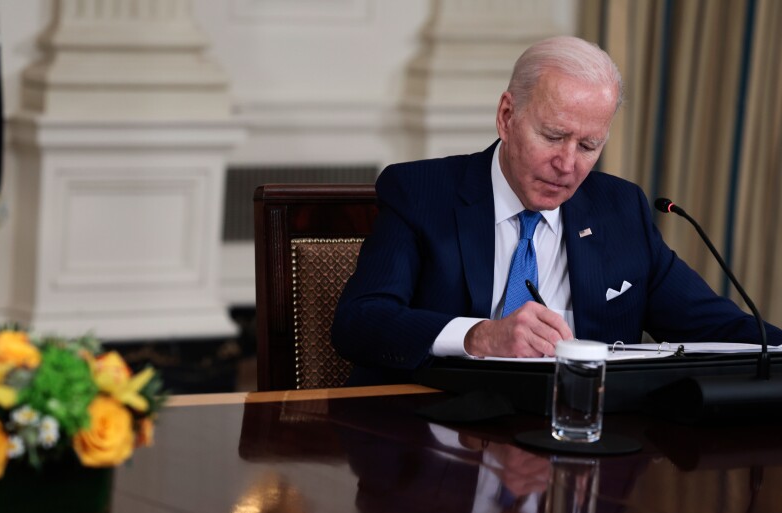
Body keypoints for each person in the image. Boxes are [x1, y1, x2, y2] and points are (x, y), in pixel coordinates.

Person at [331, 36, 782, 386]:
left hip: (579, 448)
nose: (568, 165)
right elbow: (360, 321)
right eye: (552, 136)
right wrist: (480, 336)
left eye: (589, 145)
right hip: (437, 448)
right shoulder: (421, 192)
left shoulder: (619, 209)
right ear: (507, 116)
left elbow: (716, 326)